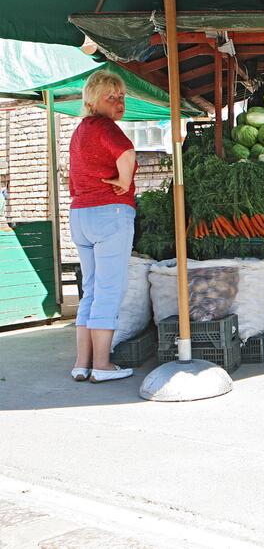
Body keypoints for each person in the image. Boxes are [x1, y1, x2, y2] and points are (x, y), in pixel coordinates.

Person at [68, 70, 138, 383]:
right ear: (93, 100)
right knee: (110, 290)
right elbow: (127, 153)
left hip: (80, 214)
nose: (118, 101)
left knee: (92, 290)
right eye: (111, 96)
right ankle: (102, 364)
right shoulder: (104, 126)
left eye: (121, 96)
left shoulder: (80, 130)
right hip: (109, 213)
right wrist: (124, 180)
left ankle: (81, 364)